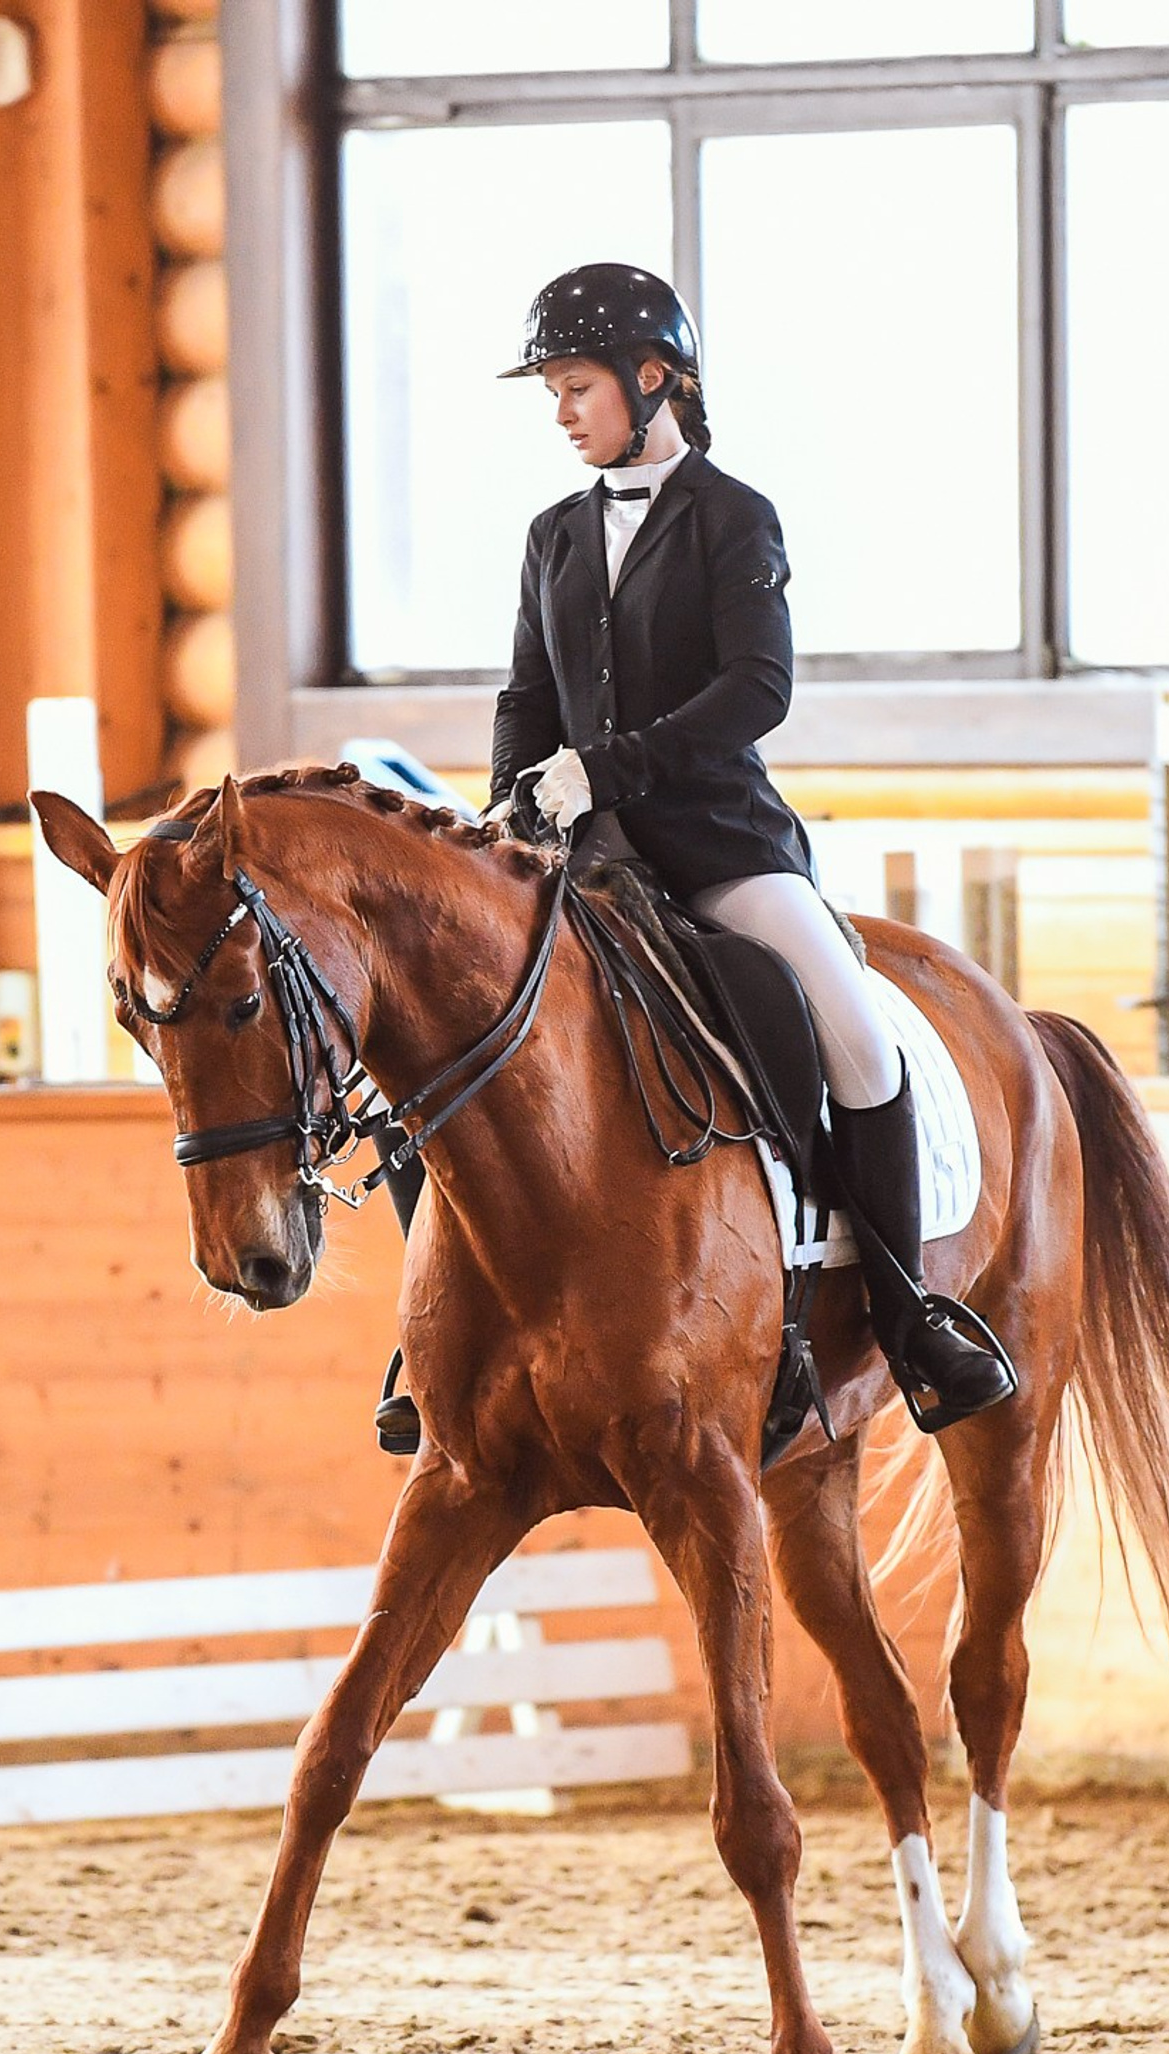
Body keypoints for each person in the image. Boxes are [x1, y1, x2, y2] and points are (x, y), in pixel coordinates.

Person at [372, 262, 1012, 1453]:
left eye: (576, 388)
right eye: (552, 393)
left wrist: (603, 772)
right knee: (437, 1029)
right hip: (578, 856)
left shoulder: (734, 517)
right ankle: (432, 1336)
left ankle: (903, 1308)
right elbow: (526, 695)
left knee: (856, 1037)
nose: (561, 412)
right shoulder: (553, 535)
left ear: (651, 377)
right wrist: (513, 799)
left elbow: (753, 693)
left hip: (718, 846)